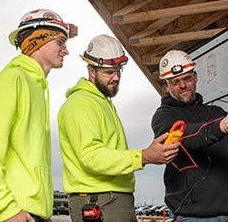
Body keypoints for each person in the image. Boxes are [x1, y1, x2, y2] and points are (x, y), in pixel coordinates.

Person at [0, 9, 77, 222]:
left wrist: (43, 212)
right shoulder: (12, 79)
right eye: (60, 42)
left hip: (26, 213)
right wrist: (6, 207)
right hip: (7, 213)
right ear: (39, 40)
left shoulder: (37, 88)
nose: (66, 51)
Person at [57, 34, 180, 222]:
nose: (116, 77)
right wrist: (145, 156)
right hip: (100, 200)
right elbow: (91, 157)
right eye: (109, 72)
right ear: (91, 71)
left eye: (118, 71)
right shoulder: (81, 104)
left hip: (110, 199)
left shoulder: (101, 102)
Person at [151, 50, 228, 222]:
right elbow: (184, 138)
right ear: (166, 86)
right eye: (175, 81)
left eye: (187, 78)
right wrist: (221, 126)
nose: (183, 85)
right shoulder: (163, 117)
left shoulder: (217, 113)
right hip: (192, 216)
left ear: (195, 77)